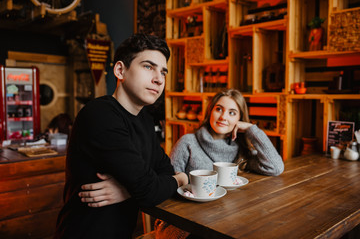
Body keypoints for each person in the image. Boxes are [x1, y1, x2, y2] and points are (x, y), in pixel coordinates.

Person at [78, 89, 284, 238]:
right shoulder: (188, 142)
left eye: (232, 113)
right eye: (219, 109)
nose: (223, 117)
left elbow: (275, 167)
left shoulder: (242, 152)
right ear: (210, 111)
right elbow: (164, 182)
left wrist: (251, 129)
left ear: (239, 119)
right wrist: (131, 191)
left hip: (230, 224)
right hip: (184, 226)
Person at [54, 33, 188, 239]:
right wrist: (179, 179)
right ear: (120, 70)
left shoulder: (144, 119)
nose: (159, 79)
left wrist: (130, 190)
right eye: (148, 67)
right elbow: (151, 188)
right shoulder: (100, 114)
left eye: (163, 72)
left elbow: (164, 171)